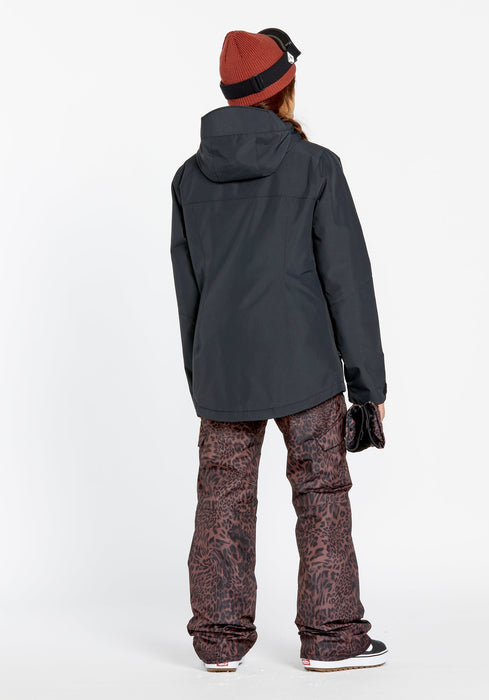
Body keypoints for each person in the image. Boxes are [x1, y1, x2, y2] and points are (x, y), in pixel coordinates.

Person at [170, 28, 388, 673]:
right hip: (305, 366)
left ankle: (219, 642)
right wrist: (368, 387)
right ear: (284, 88)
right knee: (321, 492)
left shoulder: (188, 178)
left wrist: (202, 376)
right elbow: (347, 281)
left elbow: (189, 290)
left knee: (222, 498)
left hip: (223, 369)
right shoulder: (316, 166)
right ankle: (332, 638)